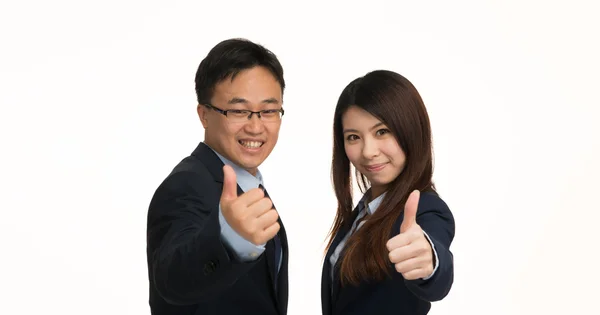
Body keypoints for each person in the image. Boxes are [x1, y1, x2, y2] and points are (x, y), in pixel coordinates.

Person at [146, 38, 289, 315]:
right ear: (204, 115)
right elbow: (172, 279)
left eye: (269, 111)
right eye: (238, 111)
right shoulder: (186, 185)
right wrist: (229, 239)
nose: (256, 126)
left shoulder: (249, 186)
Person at [322, 70, 455, 315]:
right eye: (353, 137)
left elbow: (437, 265)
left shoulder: (426, 209)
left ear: (410, 130)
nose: (368, 151)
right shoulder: (364, 212)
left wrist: (430, 261)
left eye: (381, 132)